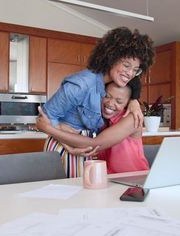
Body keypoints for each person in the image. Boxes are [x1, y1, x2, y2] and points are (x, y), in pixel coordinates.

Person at [41, 27, 154, 177]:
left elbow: (130, 87)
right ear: (111, 57)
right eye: (126, 65)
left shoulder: (107, 84)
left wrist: (134, 100)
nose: (130, 73)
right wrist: (64, 139)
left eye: (136, 69)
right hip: (63, 145)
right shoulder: (82, 84)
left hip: (84, 146)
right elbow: (44, 118)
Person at [38, 78, 149, 174]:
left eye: (119, 101)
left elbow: (95, 144)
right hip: (109, 180)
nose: (110, 103)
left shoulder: (131, 118)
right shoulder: (99, 116)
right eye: (107, 96)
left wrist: (48, 128)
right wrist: (58, 125)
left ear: (127, 103)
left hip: (134, 179)